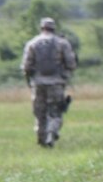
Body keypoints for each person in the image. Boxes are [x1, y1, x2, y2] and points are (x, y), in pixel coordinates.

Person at [21, 17, 77, 147]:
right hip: (57, 83)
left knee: (40, 112)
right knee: (55, 111)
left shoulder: (32, 43)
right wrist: (65, 74)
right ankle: (51, 133)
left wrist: (30, 79)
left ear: (41, 28)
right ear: (53, 28)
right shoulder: (62, 43)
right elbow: (71, 63)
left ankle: (41, 138)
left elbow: (26, 66)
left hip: (38, 83)